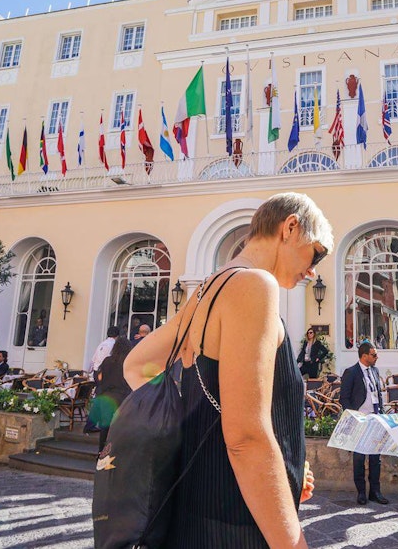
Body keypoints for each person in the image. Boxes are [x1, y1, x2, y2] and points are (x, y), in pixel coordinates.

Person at [124, 192, 329, 548]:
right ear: (290, 227)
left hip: (196, 508)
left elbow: (137, 366)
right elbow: (246, 438)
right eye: (317, 253)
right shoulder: (254, 285)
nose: (312, 270)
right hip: (237, 521)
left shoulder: (209, 288)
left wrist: (281, 468)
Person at [339, 341, 389, 506]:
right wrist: (353, 416)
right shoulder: (351, 372)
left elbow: (378, 394)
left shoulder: (375, 371)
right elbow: (344, 398)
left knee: (376, 459)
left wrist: (381, 412)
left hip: (375, 418)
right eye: (374, 354)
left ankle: (375, 491)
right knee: (359, 458)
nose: (377, 357)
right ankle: (361, 492)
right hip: (360, 419)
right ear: (364, 355)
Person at [94, 337, 132, 451]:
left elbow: (100, 377)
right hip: (123, 397)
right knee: (121, 428)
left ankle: (102, 454)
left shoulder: (106, 361)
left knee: (105, 429)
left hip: (107, 397)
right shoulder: (128, 361)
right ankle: (117, 454)